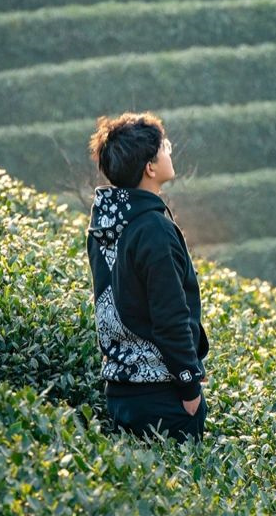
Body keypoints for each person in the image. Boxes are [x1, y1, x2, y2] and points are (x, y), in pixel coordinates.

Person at [86, 110, 209, 443]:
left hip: (120, 391)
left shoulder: (105, 224)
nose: (169, 148)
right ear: (150, 168)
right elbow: (170, 316)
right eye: (163, 146)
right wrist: (189, 387)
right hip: (163, 395)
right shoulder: (153, 229)